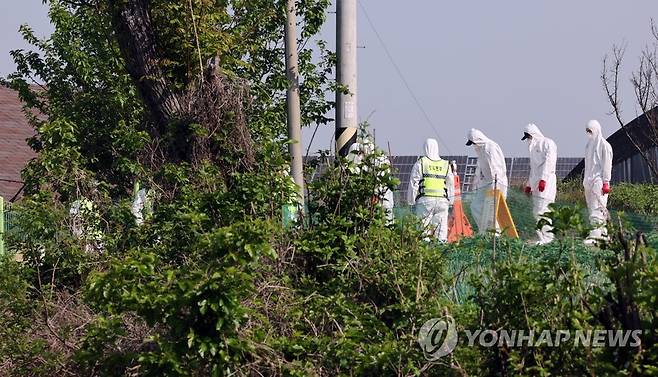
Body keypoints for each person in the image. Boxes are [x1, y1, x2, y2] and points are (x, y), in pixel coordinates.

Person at [408, 138, 454, 241]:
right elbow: (450, 184)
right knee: (441, 232)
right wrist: (451, 201)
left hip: (425, 201)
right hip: (442, 202)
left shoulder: (421, 163)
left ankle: (424, 254)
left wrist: (410, 201)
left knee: (423, 230)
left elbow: (414, 183)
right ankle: (440, 253)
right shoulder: (445, 164)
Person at [465, 128, 508, 234]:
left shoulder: (490, 147)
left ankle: (495, 235)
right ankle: (485, 231)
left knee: (492, 212)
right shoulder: (482, 149)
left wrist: (495, 185)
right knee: (475, 206)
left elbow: (496, 167)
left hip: (496, 182)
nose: (474, 145)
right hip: (487, 182)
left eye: (474, 142)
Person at [522, 123, 558, 245]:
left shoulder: (548, 143)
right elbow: (534, 169)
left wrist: (544, 179)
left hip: (547, 183)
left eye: (529, 137)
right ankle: (542, 237)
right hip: (537, 184)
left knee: (544, 209)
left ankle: (548, 238)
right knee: (536, 211)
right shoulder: (532, 149)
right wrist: (529, 185)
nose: (528, 140)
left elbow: (550, 162)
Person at [583, 120, 613, 244]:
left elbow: (607, 165)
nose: (589, 133)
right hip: (589, 180)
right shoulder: (588, 146)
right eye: (587, 131)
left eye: (591, 131)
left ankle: (596, 236)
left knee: (598, 207)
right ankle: (602, 234)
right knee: (591, 207)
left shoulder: (604, 145)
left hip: (599, 180)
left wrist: (606, 181)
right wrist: (585, 180)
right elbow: (588, 164)